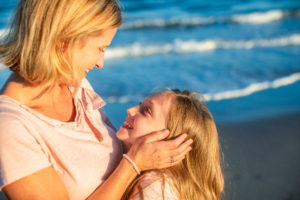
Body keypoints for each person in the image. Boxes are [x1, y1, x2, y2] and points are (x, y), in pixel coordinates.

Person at [0, 0, 193, 199]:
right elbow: (129, 162)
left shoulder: (76, 85)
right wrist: (133, 164)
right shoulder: (10, 126)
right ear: (65, 39)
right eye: (100, 48)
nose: (100, 63)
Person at [116, 89, 224, 200]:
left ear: (171, 142)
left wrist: (132, 162)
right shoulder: (174, 185)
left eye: (146, 111)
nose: (130, 110)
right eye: (140, 105)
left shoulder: (155, 189)